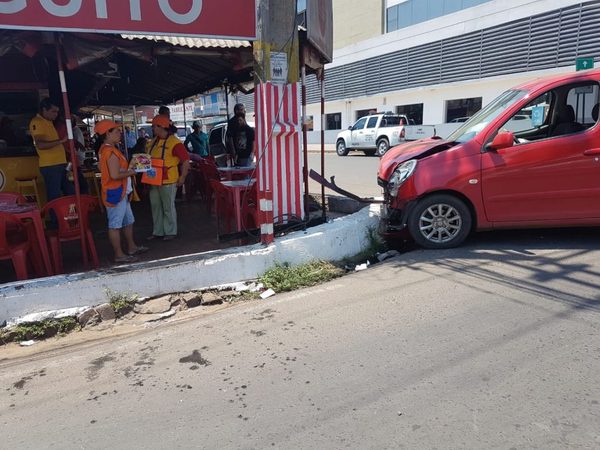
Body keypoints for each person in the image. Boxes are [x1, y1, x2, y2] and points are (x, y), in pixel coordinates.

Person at [95, 119, 148, 263]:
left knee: (128, 221)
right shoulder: (109, 151)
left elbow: (107, 170)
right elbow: (115, 175)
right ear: (108, 133)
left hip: (121, 191)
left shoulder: (105, 150)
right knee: (115, 225)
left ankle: (131, 247)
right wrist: (133, 171)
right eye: (117, 131)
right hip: (116, 192)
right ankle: (119, 254)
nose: (120, 133)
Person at [142, 115, 190, 241]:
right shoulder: (153, 141)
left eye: (154, 126)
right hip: (153, 179)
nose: (152, 128)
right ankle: (158, 232)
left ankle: (170, 232)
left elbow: (185, 161)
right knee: (155, 206)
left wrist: (182, 177)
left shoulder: (175, 142)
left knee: (168, 207)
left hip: (168, 180)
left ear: (161, 127)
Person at [29, 98, 74, 203]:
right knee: (55, 196)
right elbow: (40, 144)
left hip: (60, 163)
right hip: (50, 165)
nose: (56, 114)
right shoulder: (37, 122)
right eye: (53, 111)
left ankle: (67, 217)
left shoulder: (48, 122)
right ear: (44, 109)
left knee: (70, 192)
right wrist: (61, 141)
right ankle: (56, 219)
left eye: (57, 112)